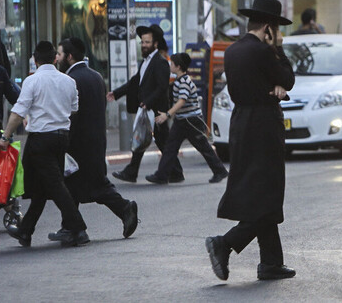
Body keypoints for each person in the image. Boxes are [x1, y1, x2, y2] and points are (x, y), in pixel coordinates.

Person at [206, 0, 296, 282]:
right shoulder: (263, 51)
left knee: (259, 192)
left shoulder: (232, 51)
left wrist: (276, 86)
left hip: (241, 123)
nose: (278, 35)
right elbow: (289, 77)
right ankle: (226, 243)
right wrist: (278, 52)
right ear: (269, 28)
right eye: (276, 29)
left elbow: (265, 82)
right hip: (264, 126)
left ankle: (271, 262)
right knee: (267, 193)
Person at [0, 41, 88, 247]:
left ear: (34, 59)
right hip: (61, 137)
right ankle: (25, 231)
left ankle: (78, 227)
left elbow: (18, 112)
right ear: (55, 59)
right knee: (43, 185)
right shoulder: (68, 81)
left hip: (41, 139)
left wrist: (5, 136)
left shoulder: (33, 81)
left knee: (55, 184)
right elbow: (74, 108)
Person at [55, 38, 137, 239]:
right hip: (96, 140)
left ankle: (124, 208)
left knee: (87, 185)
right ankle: (72, 226)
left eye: (60, 54)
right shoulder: (97, 77)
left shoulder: (70, 79)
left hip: (78, 144)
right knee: (78, 186)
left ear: (69, 56)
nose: (57, 58)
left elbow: (70, 114)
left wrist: (64, 140)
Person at [146, 53, 229, 184]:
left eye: (172, 64)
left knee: (203, 147)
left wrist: (167, 115)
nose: (170, 66)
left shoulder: (184, 82)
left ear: (178, 67)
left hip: (190, 120)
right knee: (170, 147)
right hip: (182, 120)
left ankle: (220, 171)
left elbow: (181, 101)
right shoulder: (180, 81)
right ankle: (161, 175)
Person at [110, 24, 177, 183]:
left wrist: (148, 102)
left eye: (147, 42)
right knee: (145, 139)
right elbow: (135, 82)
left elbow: (162, 87)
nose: (144, 45)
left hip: (156, 111)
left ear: (155, 44)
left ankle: (135, 172)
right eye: (142, 42)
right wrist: (117, 93)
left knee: (158, 141)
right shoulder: (145, 62)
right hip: (147, 109)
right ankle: (135, 172)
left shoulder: (160, 62)